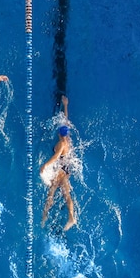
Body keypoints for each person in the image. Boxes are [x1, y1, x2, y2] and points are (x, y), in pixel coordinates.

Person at [39, 95, 76, 231]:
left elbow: (56, 157)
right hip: (66, 168)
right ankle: (71, 217)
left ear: (60, 134)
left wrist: (45, 165)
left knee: (52, 193)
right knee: (66, 194)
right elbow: (66, 121)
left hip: (61, 169)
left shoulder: (61, 143)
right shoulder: (68, 139)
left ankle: (44, 217)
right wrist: (65, 105)